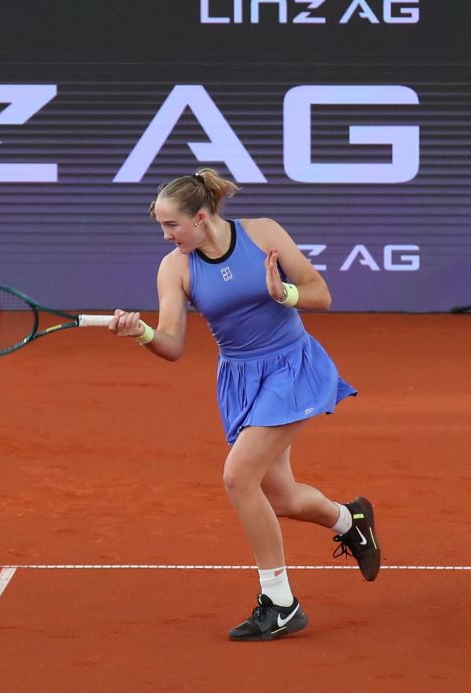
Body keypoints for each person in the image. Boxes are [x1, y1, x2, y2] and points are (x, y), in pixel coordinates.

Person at [108, 169, 379, 642]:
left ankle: (280, 602)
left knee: (238, 477)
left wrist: (284, 293)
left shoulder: (262, 234)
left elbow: (321, 293)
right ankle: (349, 519)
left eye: (171, 225)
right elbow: (172, 345)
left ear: (200, 218)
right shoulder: (175, 267)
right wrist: (143, 333)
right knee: (282, 498)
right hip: (240, 380)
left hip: (291, 368)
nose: (166, 235)